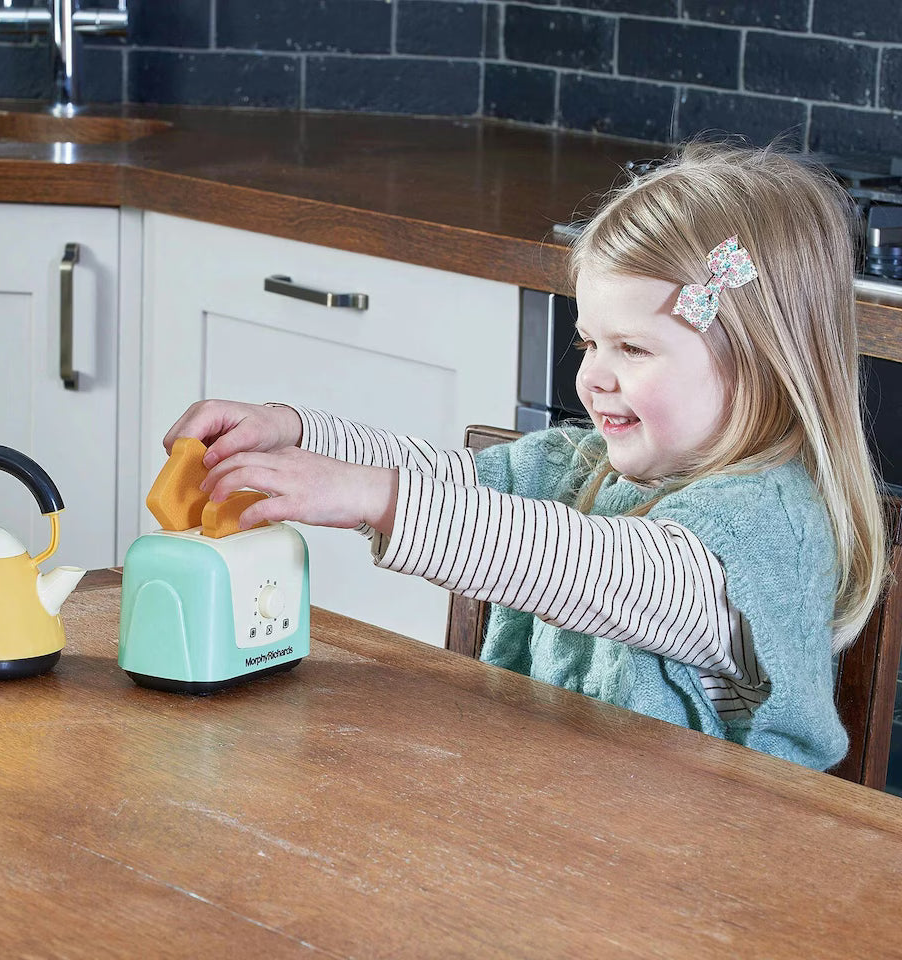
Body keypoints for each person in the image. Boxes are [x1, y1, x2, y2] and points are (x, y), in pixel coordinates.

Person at [164, 141, 888, 772]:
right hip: (566, 823)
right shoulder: (583, 467)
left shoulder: (768, 531)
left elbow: (600, 568)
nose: (593, 376)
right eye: (589, 341)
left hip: (721, 860)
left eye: (633, 349)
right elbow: (447, 480)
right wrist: (292, 434)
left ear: (756, 363)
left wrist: (370, 496)